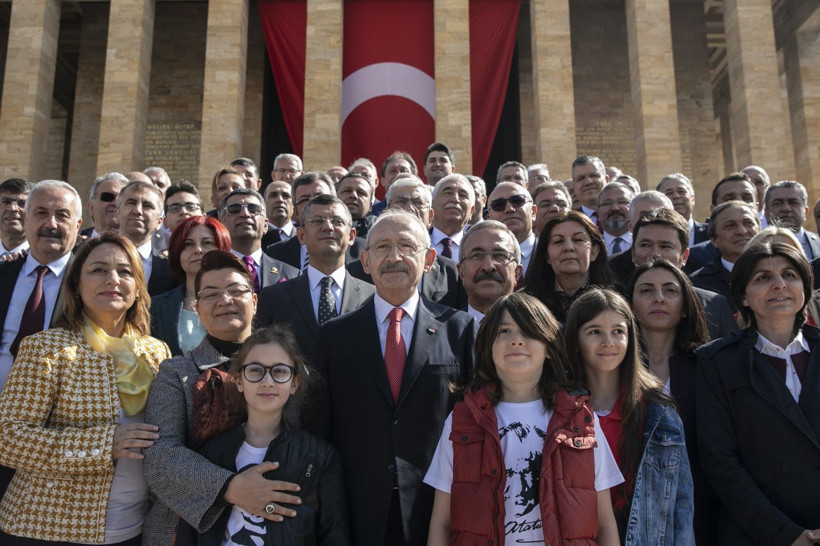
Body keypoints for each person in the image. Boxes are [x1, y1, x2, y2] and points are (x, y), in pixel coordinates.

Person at [311, 210, 477, 545]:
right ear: (366, 261)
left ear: (429, 259)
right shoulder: (334, 336)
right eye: (383, 247)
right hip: (357, 512)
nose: (394, 257)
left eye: (406, 246)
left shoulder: (460, 329)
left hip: (437, 508)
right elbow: (319, 428)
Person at [0, 233, 171, 544]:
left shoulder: (157, 352)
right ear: (76, 286)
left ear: (137, 289)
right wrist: (104, 444)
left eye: (125, 271)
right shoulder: (46, 348)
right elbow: (8, 438)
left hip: (134, 530)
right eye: (98, 270)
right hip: (46, 529)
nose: (113, 279)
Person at [425, 293, 622, 545]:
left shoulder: (581, 419)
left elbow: (605, 522)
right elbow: (441, 521)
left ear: (549, 348)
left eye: (528, 332)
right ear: (487, 347)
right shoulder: (463, 419)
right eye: (504, 331)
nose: (516, 341)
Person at [143, 250, 303, 543]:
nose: (224, 300)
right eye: (211, 294)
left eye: (235, 291)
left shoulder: (287, 369)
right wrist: (229, 487)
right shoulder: (176, 374)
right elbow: (160, 457)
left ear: (254, 302)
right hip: (184, 531)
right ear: (198, 308)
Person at [176, 325, 350, 545]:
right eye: (256, 370)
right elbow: (189, 534)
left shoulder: (320, 459)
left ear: (294, 383)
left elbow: (335, 536)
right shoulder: (212, 453)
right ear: (239, 381)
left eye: (279, 371)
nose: (267, 382)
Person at [696, 242, 820, 545]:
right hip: (755, 533)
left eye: (790, 274)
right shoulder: (717, 362)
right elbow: (720, 462)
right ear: (743, 297)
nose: (779, 285)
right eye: (762, 278)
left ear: (804, 287)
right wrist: (785, 534)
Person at [565, 288, 694, 543]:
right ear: (575, 341)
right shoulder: (559, 410)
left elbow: (681, 505)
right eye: (594, 332)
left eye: (618, 331)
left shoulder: (659, 411)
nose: (608, 342)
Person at [628, 259, 718, 544]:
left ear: (685, 307)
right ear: (629, 306)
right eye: (646, 291)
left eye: (670, 290)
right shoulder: (614, 368)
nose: (658, 298)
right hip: (629, 512)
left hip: (700, 514)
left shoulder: (709, 367)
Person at [256, 195, 375, 365]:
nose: (327, 227)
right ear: (301, 235)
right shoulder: (274, 297)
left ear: (352, 236)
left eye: (337, 221)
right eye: (317, 221)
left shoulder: (372, 297)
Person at [150, 216, 232, 356]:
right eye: (188, 244)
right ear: (177, 252)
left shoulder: (237, 301)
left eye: (207, 243)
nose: (198, 250)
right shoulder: (156, 307)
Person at [524, 210, 612, 323]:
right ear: (547, 255)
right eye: (558, 241)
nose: (569, 247)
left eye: (578, 240)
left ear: (594, 252)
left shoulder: (614, 300)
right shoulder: (527, 303)